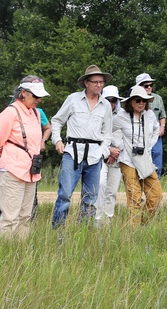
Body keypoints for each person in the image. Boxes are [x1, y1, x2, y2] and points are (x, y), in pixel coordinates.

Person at [50, 65, 117, 227]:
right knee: (65, 194)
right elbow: (57, 120)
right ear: (86, 83)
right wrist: (57, 140)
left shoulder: (106, 105)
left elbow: (107, 133)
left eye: (101, 82)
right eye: (95, 82)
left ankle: (83, 232)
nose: (99, 85)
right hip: (73, 152)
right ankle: (58, 230)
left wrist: (103, 152)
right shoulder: (73, 99)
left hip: (95, 155)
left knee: (91, 198)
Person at [0, 79, 50, 238]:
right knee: (10, 217)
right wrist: (12, 156)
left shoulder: (36, 113)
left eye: (40, 96)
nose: (39, 99)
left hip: (31, 171)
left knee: (25, 216)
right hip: (12, 170)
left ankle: (20, 252)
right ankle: (4, 253)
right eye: (35, 95)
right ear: (23, 93)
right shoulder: (10, 112)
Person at [114, 85, 163, 226]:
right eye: (137, 100)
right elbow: (107, 130)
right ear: (130, 102)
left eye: (144, 100)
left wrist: (150, 145)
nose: (141, 103)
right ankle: (134, 230)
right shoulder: (121, 116)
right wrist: (120, 145)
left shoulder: (150, 115)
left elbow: (156, 129)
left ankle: (143, 223)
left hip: (145, 159)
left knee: (156, 195)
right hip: (127, 159)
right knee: (134, 196)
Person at [96, 85, 125, 225]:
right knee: (100, 185)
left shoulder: (123, 115)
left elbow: (127, 137)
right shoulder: (97, 113)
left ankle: (107, 221)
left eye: (114, 100)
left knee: (112, 191)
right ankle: (97, 219)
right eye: (109, 99)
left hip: (117, 157)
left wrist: (116, 152)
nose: (111, 103)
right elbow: (96, 136)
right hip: (100, 157)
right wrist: (108, 151)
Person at [135, 73, 167, 177]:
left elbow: (163, 115)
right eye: (146, 85)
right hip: (139, 136)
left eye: (150, 85)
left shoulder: (158, 98)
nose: (149, 87)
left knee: (157, 161)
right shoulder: (134, 100)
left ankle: (155, 186)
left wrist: (162, 127)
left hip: (156, 135)